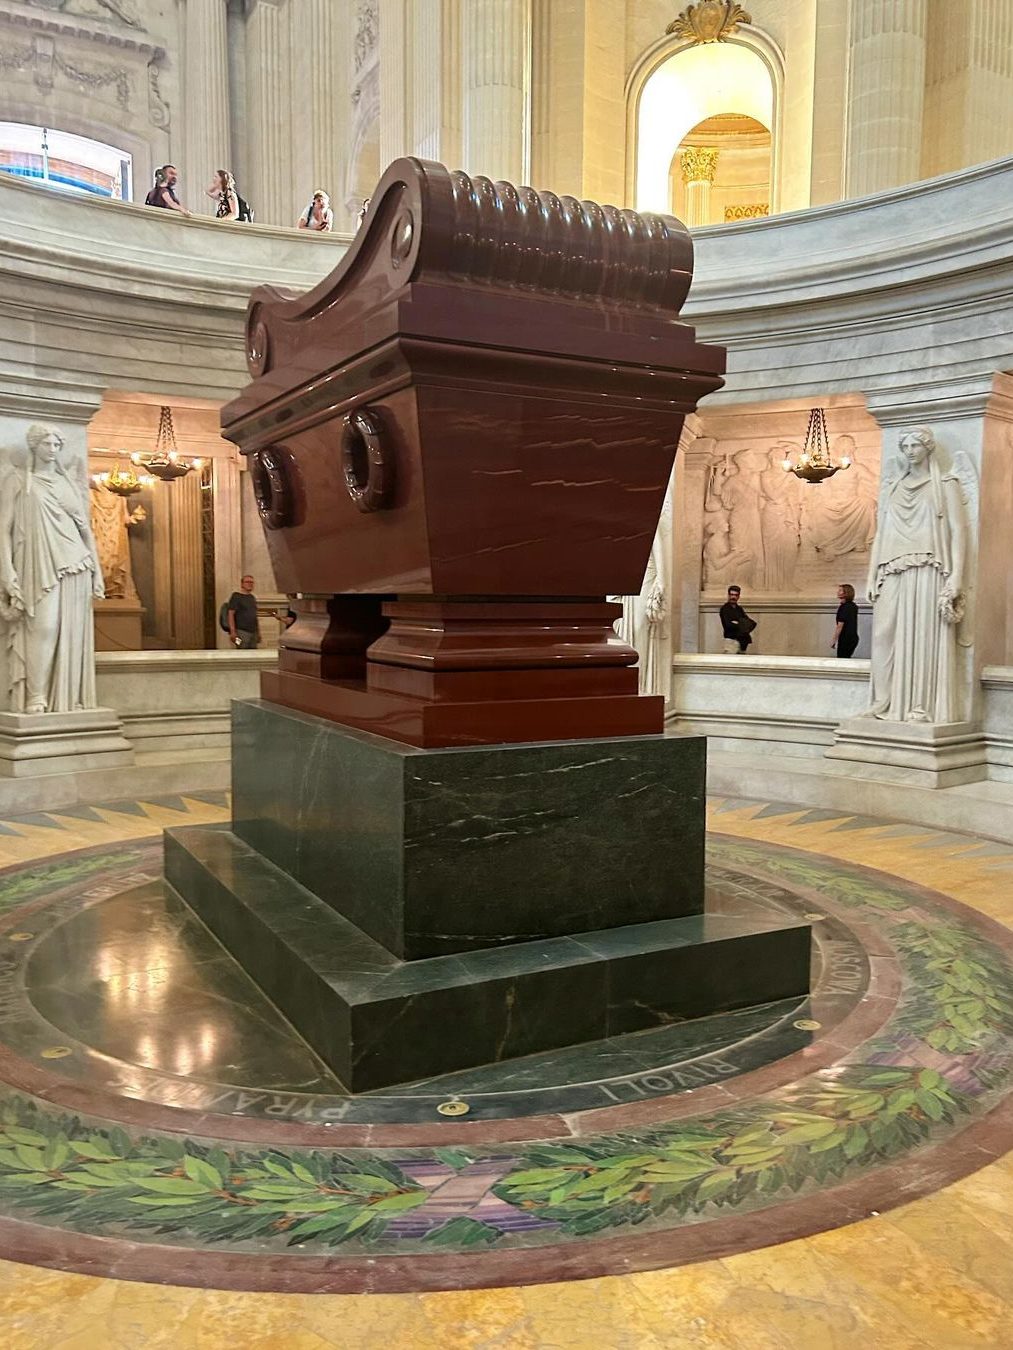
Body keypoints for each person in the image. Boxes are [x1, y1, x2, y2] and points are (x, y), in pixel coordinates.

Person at [0, 424, 105, 713]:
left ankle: (66, 698)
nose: (53, 449)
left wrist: (98, 571)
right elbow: (3, 530)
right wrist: (7, 572)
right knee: (44, 627)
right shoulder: (19, 481)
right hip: (38, 562)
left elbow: (86, 532)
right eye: (47, 443)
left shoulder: (67, 483)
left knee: (68, 632)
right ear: (34, 445)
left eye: (57, 444)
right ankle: (37, 695)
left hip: (76, 563)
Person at [866, 428, 967, 723]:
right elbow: (881, 534)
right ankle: (884, 701)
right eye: (905, 445)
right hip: (891, 567)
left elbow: (958, 533)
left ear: (927, 448)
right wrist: (871, 576)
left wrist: (957, 577)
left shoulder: (945, 484)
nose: (910, 450)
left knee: (923, 635)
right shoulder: (894, 487)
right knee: (884, 632)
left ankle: (919, 706)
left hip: (928, 567)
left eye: (916, 445)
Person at [719, 585, 755, 654]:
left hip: (743, 641)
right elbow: (728, 625)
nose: (733, 597)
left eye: (736, 595)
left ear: (738, 596)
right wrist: (742, 624)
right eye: (732, 595)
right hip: (731, 641)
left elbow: (750, 623)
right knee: (730, 663)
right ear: (728, 595)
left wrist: (738, 623)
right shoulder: (725, 609)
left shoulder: (739, 609)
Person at [226, 575, 260, 649]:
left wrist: (258, 632)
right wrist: (232, 631)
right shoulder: (236, 596)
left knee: (254, 654)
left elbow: (254, 616)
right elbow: (230, 614)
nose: (250, 584)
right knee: (241, 650)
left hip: (253, 632)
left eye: (252, 582)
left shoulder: (252, 597)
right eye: (247, 582)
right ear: (242, 584)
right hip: (241, 632)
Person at [832, 583, 860, 658]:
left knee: (842, 660)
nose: (838, 592)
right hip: (853, 638)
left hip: (846, 639)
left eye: (840, 590)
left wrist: (834, 640)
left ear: (846, 593)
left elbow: (840, 626)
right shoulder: (853, 606)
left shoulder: (844, 607)